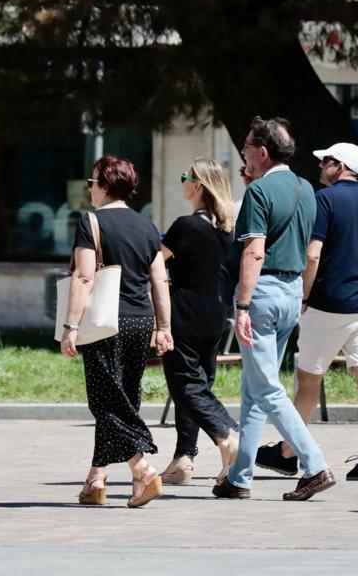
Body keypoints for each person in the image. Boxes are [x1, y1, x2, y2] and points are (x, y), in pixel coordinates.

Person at [258, 142, 358, 482]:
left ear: (341, 166)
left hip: (327, 303)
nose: (320, 166)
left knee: (308, 379)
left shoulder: (325, 200)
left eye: (326, 161)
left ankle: (289, 452)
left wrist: (304, 295)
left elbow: (314, 254)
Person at [212, 116, 335, 501]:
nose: (243, 153)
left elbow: (253, 251)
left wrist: (243, 305)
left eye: (247, 147)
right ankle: (240, 477)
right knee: (254, 389)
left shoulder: (258, 193)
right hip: (291, 292)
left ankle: (314, 465)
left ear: (262, 153)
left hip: (262, 293)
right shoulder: (306, 189)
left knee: (266, 386)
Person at [60, 154, 173, 509]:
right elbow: (159, 279)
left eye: (92, 182)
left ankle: (143, 469)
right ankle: (96, 480)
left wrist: (70, 325)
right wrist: (164, 325)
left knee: (105, 401)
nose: (89, 189)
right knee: (121, 396)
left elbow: (83, 276)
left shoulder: (90, 221)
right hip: (140, 321)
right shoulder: (147, 226)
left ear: (105, 185)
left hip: (105, 322)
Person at [159, 157, 240, 485]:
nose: (182, 182)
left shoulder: (186, 226)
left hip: (184, 316)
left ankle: (228, 435)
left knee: (186, 386)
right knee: (197, 386)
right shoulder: (227, 230)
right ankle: (183, 458)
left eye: (184, 176)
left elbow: (154, 263)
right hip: (216, 318)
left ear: (197, 186)